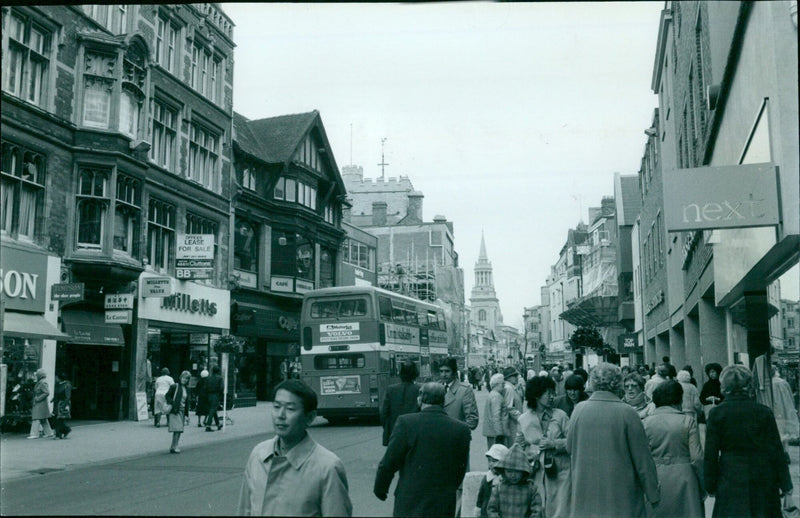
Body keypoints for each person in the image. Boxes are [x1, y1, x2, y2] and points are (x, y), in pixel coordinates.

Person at [239, 379, 352, 516]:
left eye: (290, 409)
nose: (280, 415)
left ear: (309, 418)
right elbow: (244, 509)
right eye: (276, 406)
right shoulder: (259, 455)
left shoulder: (327, 467)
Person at [566, 363, 660, 518]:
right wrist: (653, 493)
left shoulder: (579, 410)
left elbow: (569, 447)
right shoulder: (627, 413)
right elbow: (643, 460)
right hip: (621, 497)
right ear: (618, 384)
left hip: (585, 495)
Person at [705, 364, 793, 517]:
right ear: (749, 385)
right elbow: (776, 450)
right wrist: (786, 484)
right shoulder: (763, 412)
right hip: (763, 474)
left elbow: (710, 453)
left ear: (724, 386)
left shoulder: (716, 413)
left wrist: (710, 484)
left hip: (730, 474)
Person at [374, 382, 471, 518]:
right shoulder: (461, 429)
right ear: (443, 401)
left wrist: (381, 488)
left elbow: (390, 461)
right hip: (443, 501)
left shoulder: (406, 423)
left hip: (410, 500)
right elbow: (460, 467)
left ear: (420, 399)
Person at [642, 380, 704, 518]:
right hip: (685, 477)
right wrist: (703, 485)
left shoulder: (645, 423)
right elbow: (697, 458)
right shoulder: (687, 421)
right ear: (679, 399)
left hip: (655, 477)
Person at [516, 376, 570, 518]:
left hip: (560, 473)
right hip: (535, 473)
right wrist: (528, 456)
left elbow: (573, 441)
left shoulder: (561, 416)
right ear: (537, 395)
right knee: (537, 509)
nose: (552, 397)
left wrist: (554, 444)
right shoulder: (524, 419)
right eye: (548, 394)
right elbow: (518, 447)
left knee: (560, 510)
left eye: (553, 393)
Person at [486, 443, 543, 518]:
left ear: (523, 471)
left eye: (517, 472)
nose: (513, 475)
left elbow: (537, 511)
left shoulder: (531, 489)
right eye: (509, 471)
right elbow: (491, 509)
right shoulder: (499, 488)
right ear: (504, 471)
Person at [381, 361, 420, 446]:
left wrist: (387, 428)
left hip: (395, 431)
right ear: (415, 374)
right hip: (414, 431)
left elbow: (384, 413)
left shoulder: (391, 389)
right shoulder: (420, 389)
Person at [440, 357, 479, 431]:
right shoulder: (436, 388)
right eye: (441, 371)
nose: (443, 374)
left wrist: (458, 433)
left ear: (454, 372)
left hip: (455, 437)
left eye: (447, 371)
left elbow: (472, 420)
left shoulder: (464, 390)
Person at [475, 444, 509, 518]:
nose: (491, 464)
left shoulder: (507, 479)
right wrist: (478, 508)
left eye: (495, 461)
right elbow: (481, 495)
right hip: (486, 511)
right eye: (489, 461)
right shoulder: (487, 478)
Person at [772, 363, 800, 450]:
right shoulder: (783, 382)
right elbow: (791, 397)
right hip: (784, 409)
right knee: (784, 431)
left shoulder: (768, 384)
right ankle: (785, 451)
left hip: (773, 409)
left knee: (776, 430)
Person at [165, 370, 190, 453]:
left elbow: (187, 402)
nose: (185, 380)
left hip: (182, 410)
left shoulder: (186, 388)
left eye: (186, 378)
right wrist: (172, 403)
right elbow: (167, 395)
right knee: (177, 428)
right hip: (175, 410)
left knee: (179, 429)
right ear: (180, 378)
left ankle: (173, 446)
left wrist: (187, 415)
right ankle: (175, 446)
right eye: (183, 378)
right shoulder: (175, 386)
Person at [483, 373, 508, 448]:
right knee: (498, 455)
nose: (504, 386)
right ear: (497, 384)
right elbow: (496, 416)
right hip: (496, 433)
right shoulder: (497, 397)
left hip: (491, 431)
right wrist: (499, 434)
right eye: (503, 384)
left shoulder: (492, 394)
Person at [28, 369, 54, 439]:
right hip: (41, 403)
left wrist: (38, 398)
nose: (35, 376)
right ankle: (49, 432)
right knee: (43, 418)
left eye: (37, 375)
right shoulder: (40, 382)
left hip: (40, 403)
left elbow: (47, 392)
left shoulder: (42, 383)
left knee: (36, 418)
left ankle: (34, 434)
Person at [503, 367, 524, 447]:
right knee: (513, 444)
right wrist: (520, 417)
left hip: (514, 421)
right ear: (508, 378)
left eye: (516, 375)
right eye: (514, 376)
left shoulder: (512, 387)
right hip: (512, 422)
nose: (516, 378)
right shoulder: (509, 388)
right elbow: (509, 407)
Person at [51, 372, 72, 439]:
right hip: (58, 403)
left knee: (58, 419)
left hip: (62, 403)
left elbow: (67, 396)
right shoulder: (59, 384)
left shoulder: (67, 385)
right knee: (58, 419)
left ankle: (58, 434)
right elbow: (57, 393)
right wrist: (53, 399)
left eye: (56, 377)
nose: (55, 379)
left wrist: (64, 405)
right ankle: (66, 430)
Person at [205, 365, 224, 432]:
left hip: (209, 394)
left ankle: (218, 424)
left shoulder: (208, 378)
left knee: (213, 409)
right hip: (216, 394)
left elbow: (206, 387)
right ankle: (208, 425)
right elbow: (221, 388)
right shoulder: (220, 378)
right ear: (218, 371)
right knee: (213, 409)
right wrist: (220, 395)